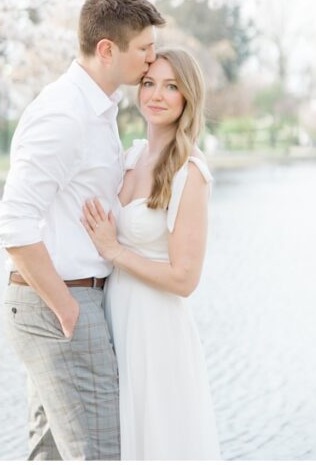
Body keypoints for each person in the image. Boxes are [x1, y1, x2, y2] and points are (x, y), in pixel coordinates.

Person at [0, 0, 165, 460]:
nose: (152, 61)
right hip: (60, 300)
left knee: (49, 455)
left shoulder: (98, 109)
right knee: (103, 455)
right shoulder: (64, 113)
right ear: (107, 50)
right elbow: (13, 223)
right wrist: (66, 308)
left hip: (67, 298)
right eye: (144, 50)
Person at [81, 47, 221, 459]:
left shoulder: (189, 172)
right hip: (115, 317)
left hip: (155, 329)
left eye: (171, 86)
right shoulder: (132, 156)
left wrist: (113, 250)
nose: (156, 95)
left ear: (187, 97)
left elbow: (185, 279)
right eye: (149, 83)